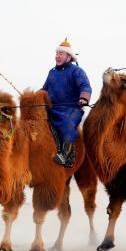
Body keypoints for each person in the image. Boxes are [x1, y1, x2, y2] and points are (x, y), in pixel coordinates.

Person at [41, 39, 91, 168]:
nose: (57, 56)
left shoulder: (77, 71)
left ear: (69, 56)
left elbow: (85, 86)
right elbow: (44, 89)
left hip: (71, 109)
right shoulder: (52, 72)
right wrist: (33, 97)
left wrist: (84, 98)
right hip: (52, 108)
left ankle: (65, 155)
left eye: (61, 53)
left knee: (67, 124)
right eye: (57, 53)